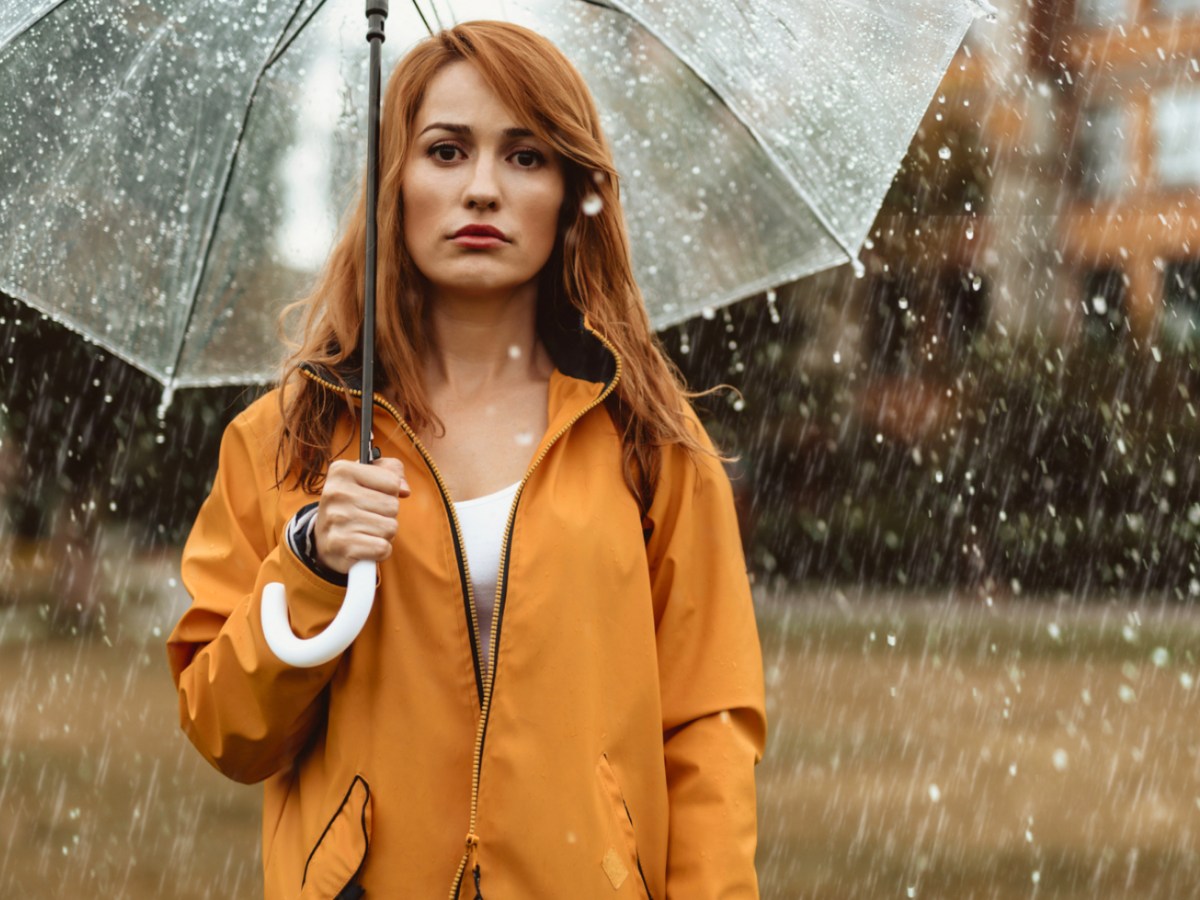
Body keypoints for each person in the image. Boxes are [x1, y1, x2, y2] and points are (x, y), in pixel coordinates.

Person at [167, 20, 766, 900]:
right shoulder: (284, 438)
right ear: (394, 182)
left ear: (569, 193)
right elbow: (228, 734)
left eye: (525, 157)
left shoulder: (648, 439)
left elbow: (708, 726)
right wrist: (310, 566)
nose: (482, 188)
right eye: (445, 151)